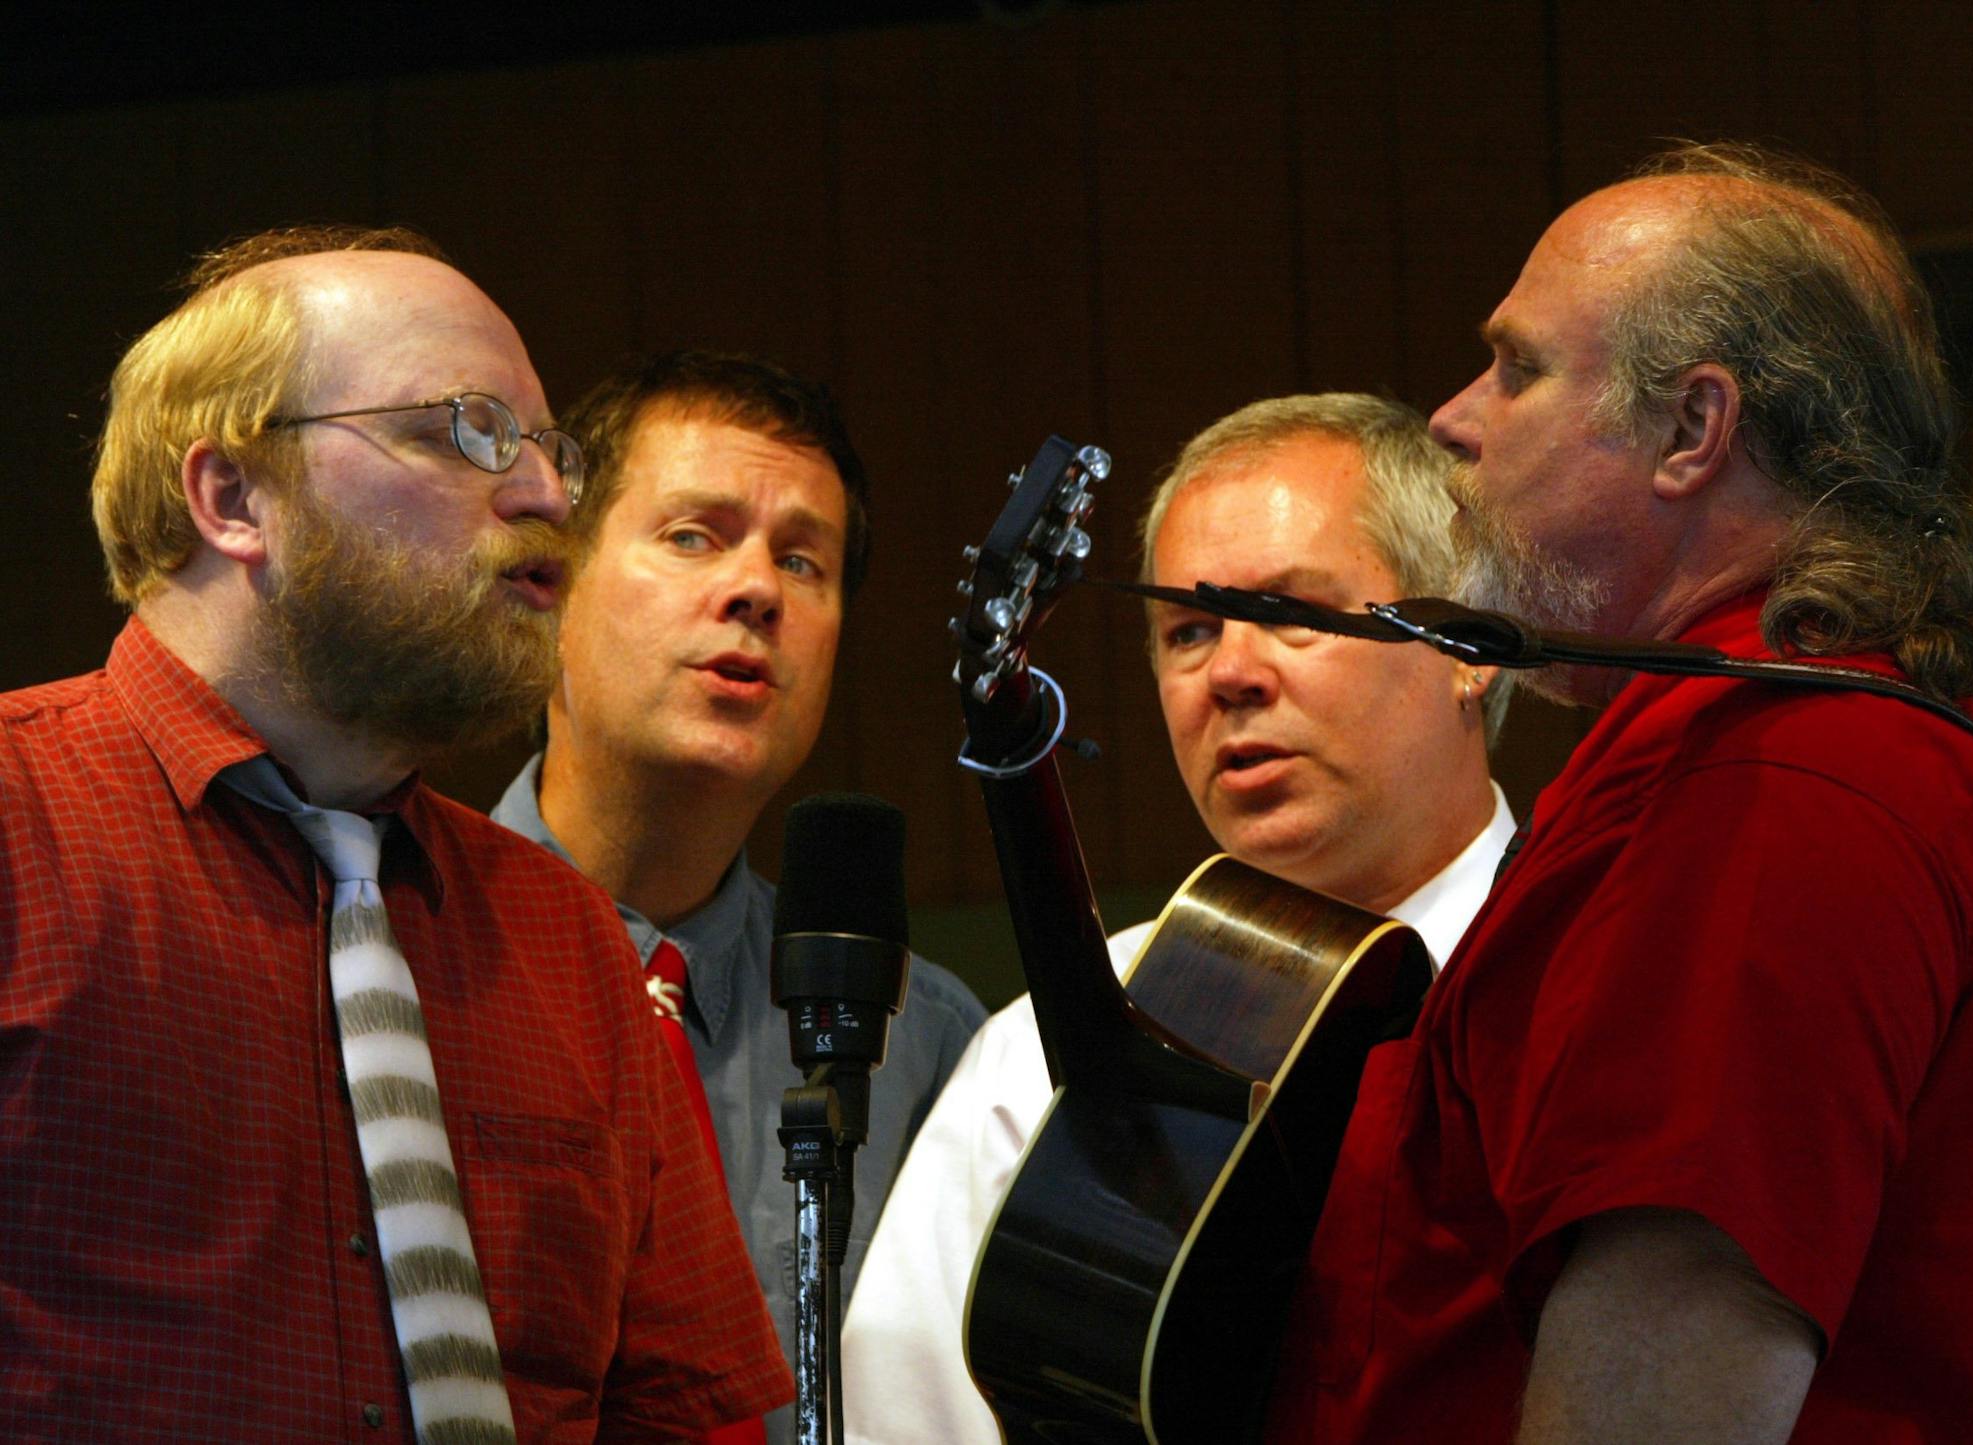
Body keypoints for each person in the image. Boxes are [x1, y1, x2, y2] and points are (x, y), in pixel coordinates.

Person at [1267, 143, 1973, 1442]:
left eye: (1519, 368)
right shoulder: (1791, 759)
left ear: (1693, 429)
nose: (1452, 417)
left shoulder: (1775, 788)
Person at [0, 227, 791, 1439]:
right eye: (462, 430)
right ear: (234, 497)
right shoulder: (17, 818)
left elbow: (688, 1418)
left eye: (546, 449)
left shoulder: (567, 938)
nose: (542, 496)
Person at [840, 393, 1517, 1445]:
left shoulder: (1589, 976)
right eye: (1189, 630)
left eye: (1295, 612)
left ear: (1468, 643)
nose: (1233, 675)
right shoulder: (1032, 1058)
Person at [489, 350, 986, 1443]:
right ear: (551, 580)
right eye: (692, 536)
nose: (757, 587)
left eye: (806, 563)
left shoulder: (928, 1039)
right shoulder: (388, 951)